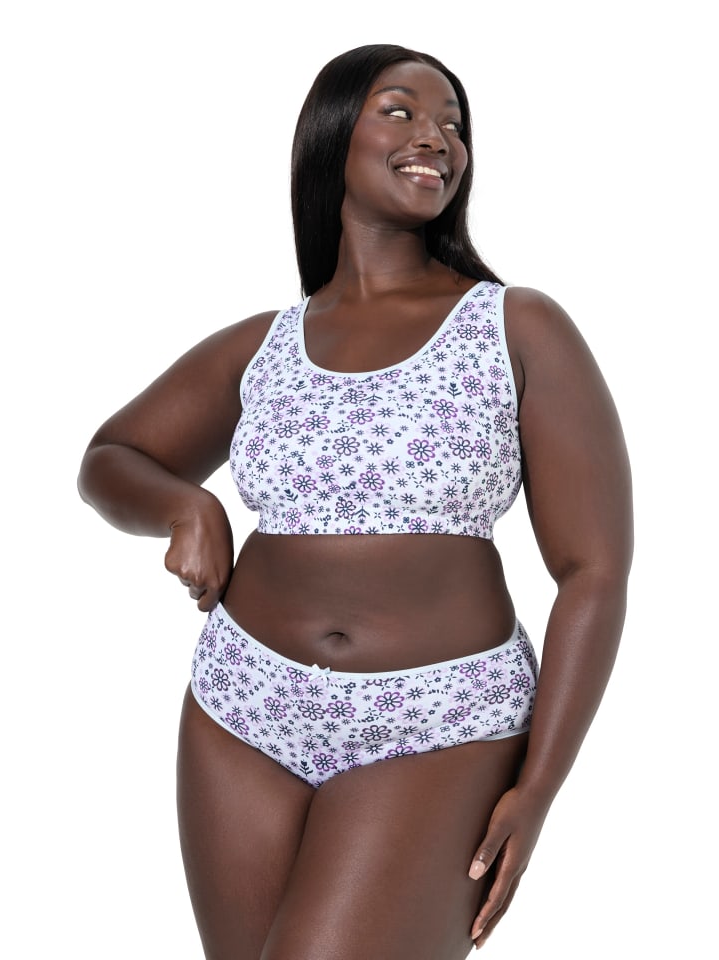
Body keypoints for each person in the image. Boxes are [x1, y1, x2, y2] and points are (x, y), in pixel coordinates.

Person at [78, 43, 633, 960]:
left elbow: (594, 572)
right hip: (242, 709)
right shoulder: (265, 344)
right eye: (402, 111)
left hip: (441, 722)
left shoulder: (515, 326)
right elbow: (111, 456)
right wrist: (187, 508)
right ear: (334, 136)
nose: (437, 138)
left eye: (453, 124)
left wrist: (538, 789)